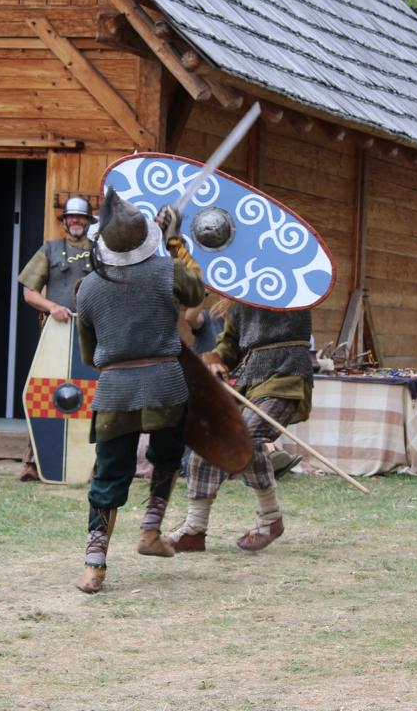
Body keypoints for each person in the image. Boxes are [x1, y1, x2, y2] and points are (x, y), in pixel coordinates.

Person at [72, 190, 205, 594]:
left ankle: (95, 565)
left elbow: (89, 356)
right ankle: (150, 530)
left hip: (115, 387)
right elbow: (196, 294)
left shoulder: (88, 288)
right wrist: (173, 242)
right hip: (166, 383)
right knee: (166, 457)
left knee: (110, 473)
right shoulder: (168, 270)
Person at [166, 302, 313, 552]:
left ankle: (269, 519)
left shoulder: (295, 293)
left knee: (245, 438)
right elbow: (230, 344)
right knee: (211, 442)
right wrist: (216, 359)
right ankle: (194, 529)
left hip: (288, 377)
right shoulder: (239, 300)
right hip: (251, 382)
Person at [15, 196, 96, 481]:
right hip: (56, 335)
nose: (76, 221)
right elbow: (29, 292)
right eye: (71, 217)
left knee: (92, 398)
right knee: (45, 396)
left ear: (88, 221)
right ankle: (33, 462)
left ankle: (91, 465)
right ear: (64, 221)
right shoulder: (50, 249)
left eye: (80, 217)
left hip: (91, 334)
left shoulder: (100, 252)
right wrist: (52, 307)